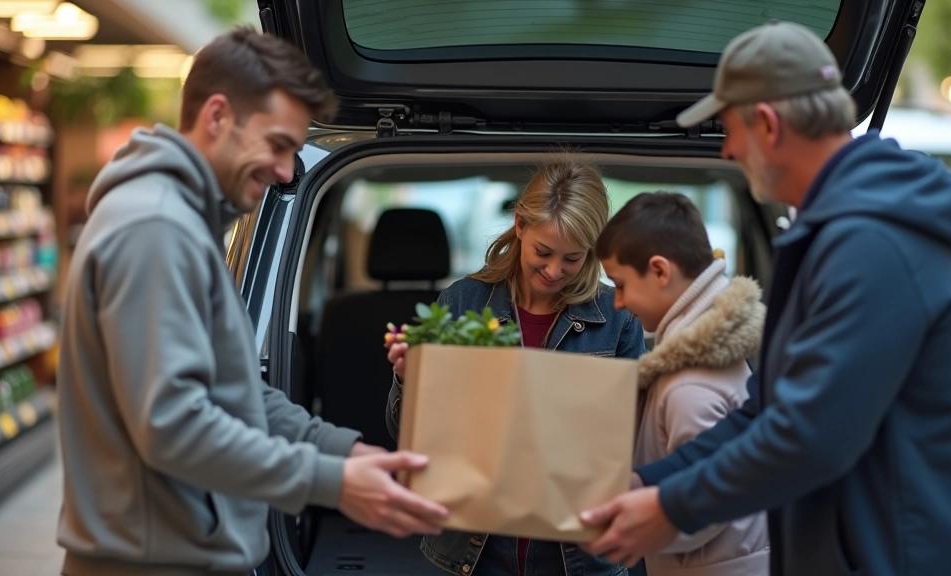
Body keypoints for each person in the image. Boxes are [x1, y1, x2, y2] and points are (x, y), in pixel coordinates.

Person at [579, 20, 951, 576]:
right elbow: (768, 409)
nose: (728, 150)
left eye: (728, 129)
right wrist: (651, 484)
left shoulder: (872, 244)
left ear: (768, 123)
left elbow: (811, 434)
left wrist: (671, 508)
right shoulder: (835, 234)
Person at [56, 27, 447, 576]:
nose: (287, 171)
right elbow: (173, 425)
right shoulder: (156, 229)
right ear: (218, 116)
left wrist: (347, 453)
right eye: (278, 144)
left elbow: (236, 394)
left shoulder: (183, 222)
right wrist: (329, 483)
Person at [385, 156, 646, 576]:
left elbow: (637, 448)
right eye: (543, 252)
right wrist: (410, 383)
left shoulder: (619, 318)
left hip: (579, 556)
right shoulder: (461, 303)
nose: (554, 270)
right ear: (520, 226)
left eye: (573, 258)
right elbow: (410, 441)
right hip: (473, 552)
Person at [595, 191, 769, 575]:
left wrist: (628, 525)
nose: (618, 302)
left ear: (660, 271)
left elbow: (705, 504)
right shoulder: (709, 353)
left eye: (620, 284)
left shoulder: (690, 384)